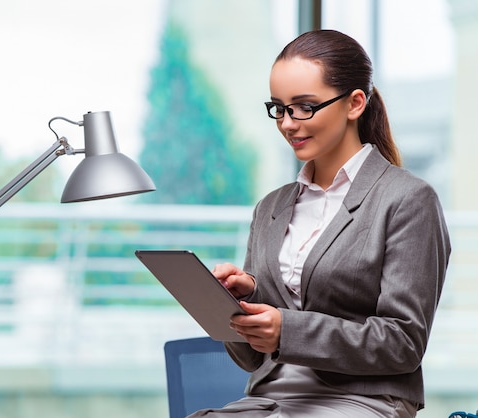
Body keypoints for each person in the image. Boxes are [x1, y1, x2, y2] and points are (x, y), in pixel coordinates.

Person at [187, 29, 451, 418]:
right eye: (279, 108)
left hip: (363, 401)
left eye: (304, 107)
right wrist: (239, 301)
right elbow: (249, 359)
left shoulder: (407, 200)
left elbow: (403, 343)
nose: (288, 123)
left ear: (355, 103)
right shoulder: (270, 208)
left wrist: (286, 330)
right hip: (269, 401)